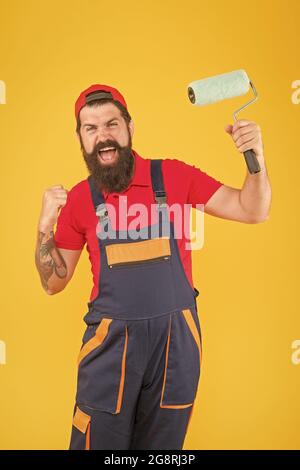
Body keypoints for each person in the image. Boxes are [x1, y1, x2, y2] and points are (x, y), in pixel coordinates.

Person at [35, 84, 272, 450]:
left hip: (176, 348)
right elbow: (53, 282)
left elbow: (252, 210)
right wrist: (44, 227)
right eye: (91, 128)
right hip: (109, 350)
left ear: (130, 127)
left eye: (112, 124)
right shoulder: (81, 198)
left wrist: (255, 157)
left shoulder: (174, 176)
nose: (103, 136)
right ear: (80, 139)